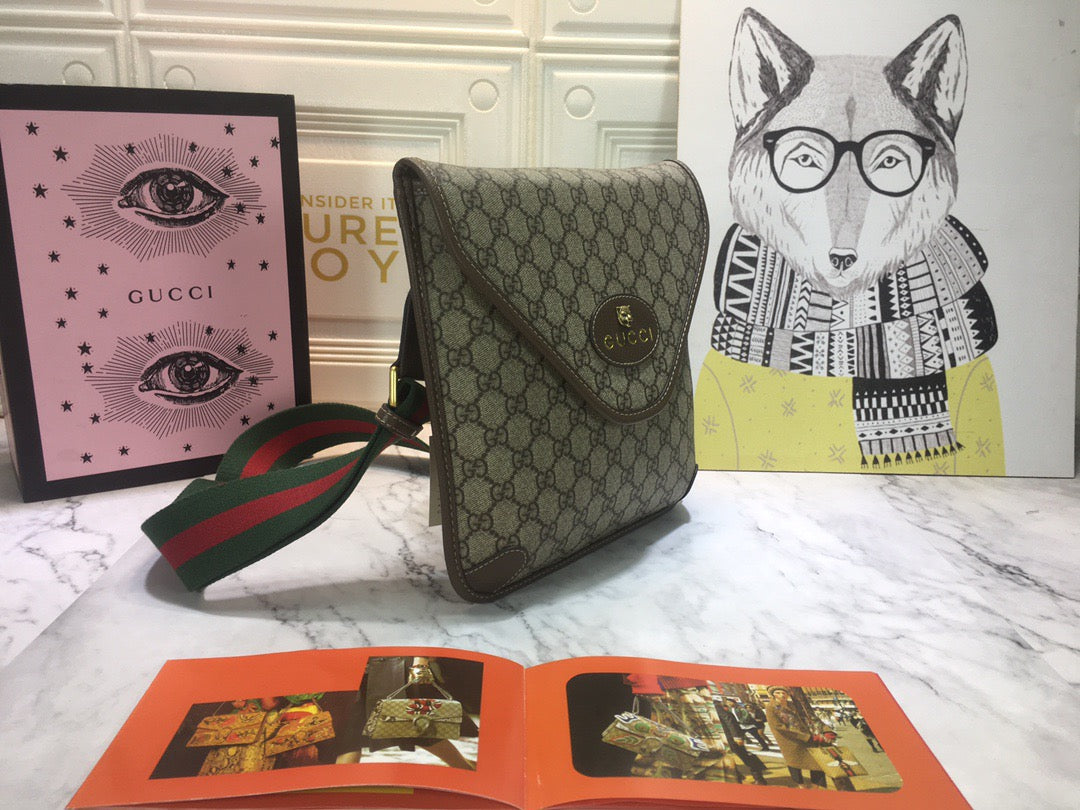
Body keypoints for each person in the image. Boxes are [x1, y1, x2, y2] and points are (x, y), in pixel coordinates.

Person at [335, 656, 476, 769]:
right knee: (348, 732)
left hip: (391, 665)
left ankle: (465, 768)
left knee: (414, 726)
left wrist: (421, 659)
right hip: (349, 667)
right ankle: (341, 785)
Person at [764, 686, 848, 790]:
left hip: (805, 737)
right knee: (794, 763)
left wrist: (821, 732)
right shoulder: (771, 707)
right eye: (778, 693)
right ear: (773, 695)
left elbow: (806, 718)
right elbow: (778, 727)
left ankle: (815, 786)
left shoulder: (792, 705)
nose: (781, 695)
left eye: (784, 693)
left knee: (817, 762)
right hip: (789, 740)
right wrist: (806, 737)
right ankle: (801, 785)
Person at [713, 697, 768, 785]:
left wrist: (736, 736)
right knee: (725, 759)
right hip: (721, 739)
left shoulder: (715, 706)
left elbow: (728, 719)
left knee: (744, 756)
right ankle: (739, 778)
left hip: (730, 737)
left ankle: (759, 777)